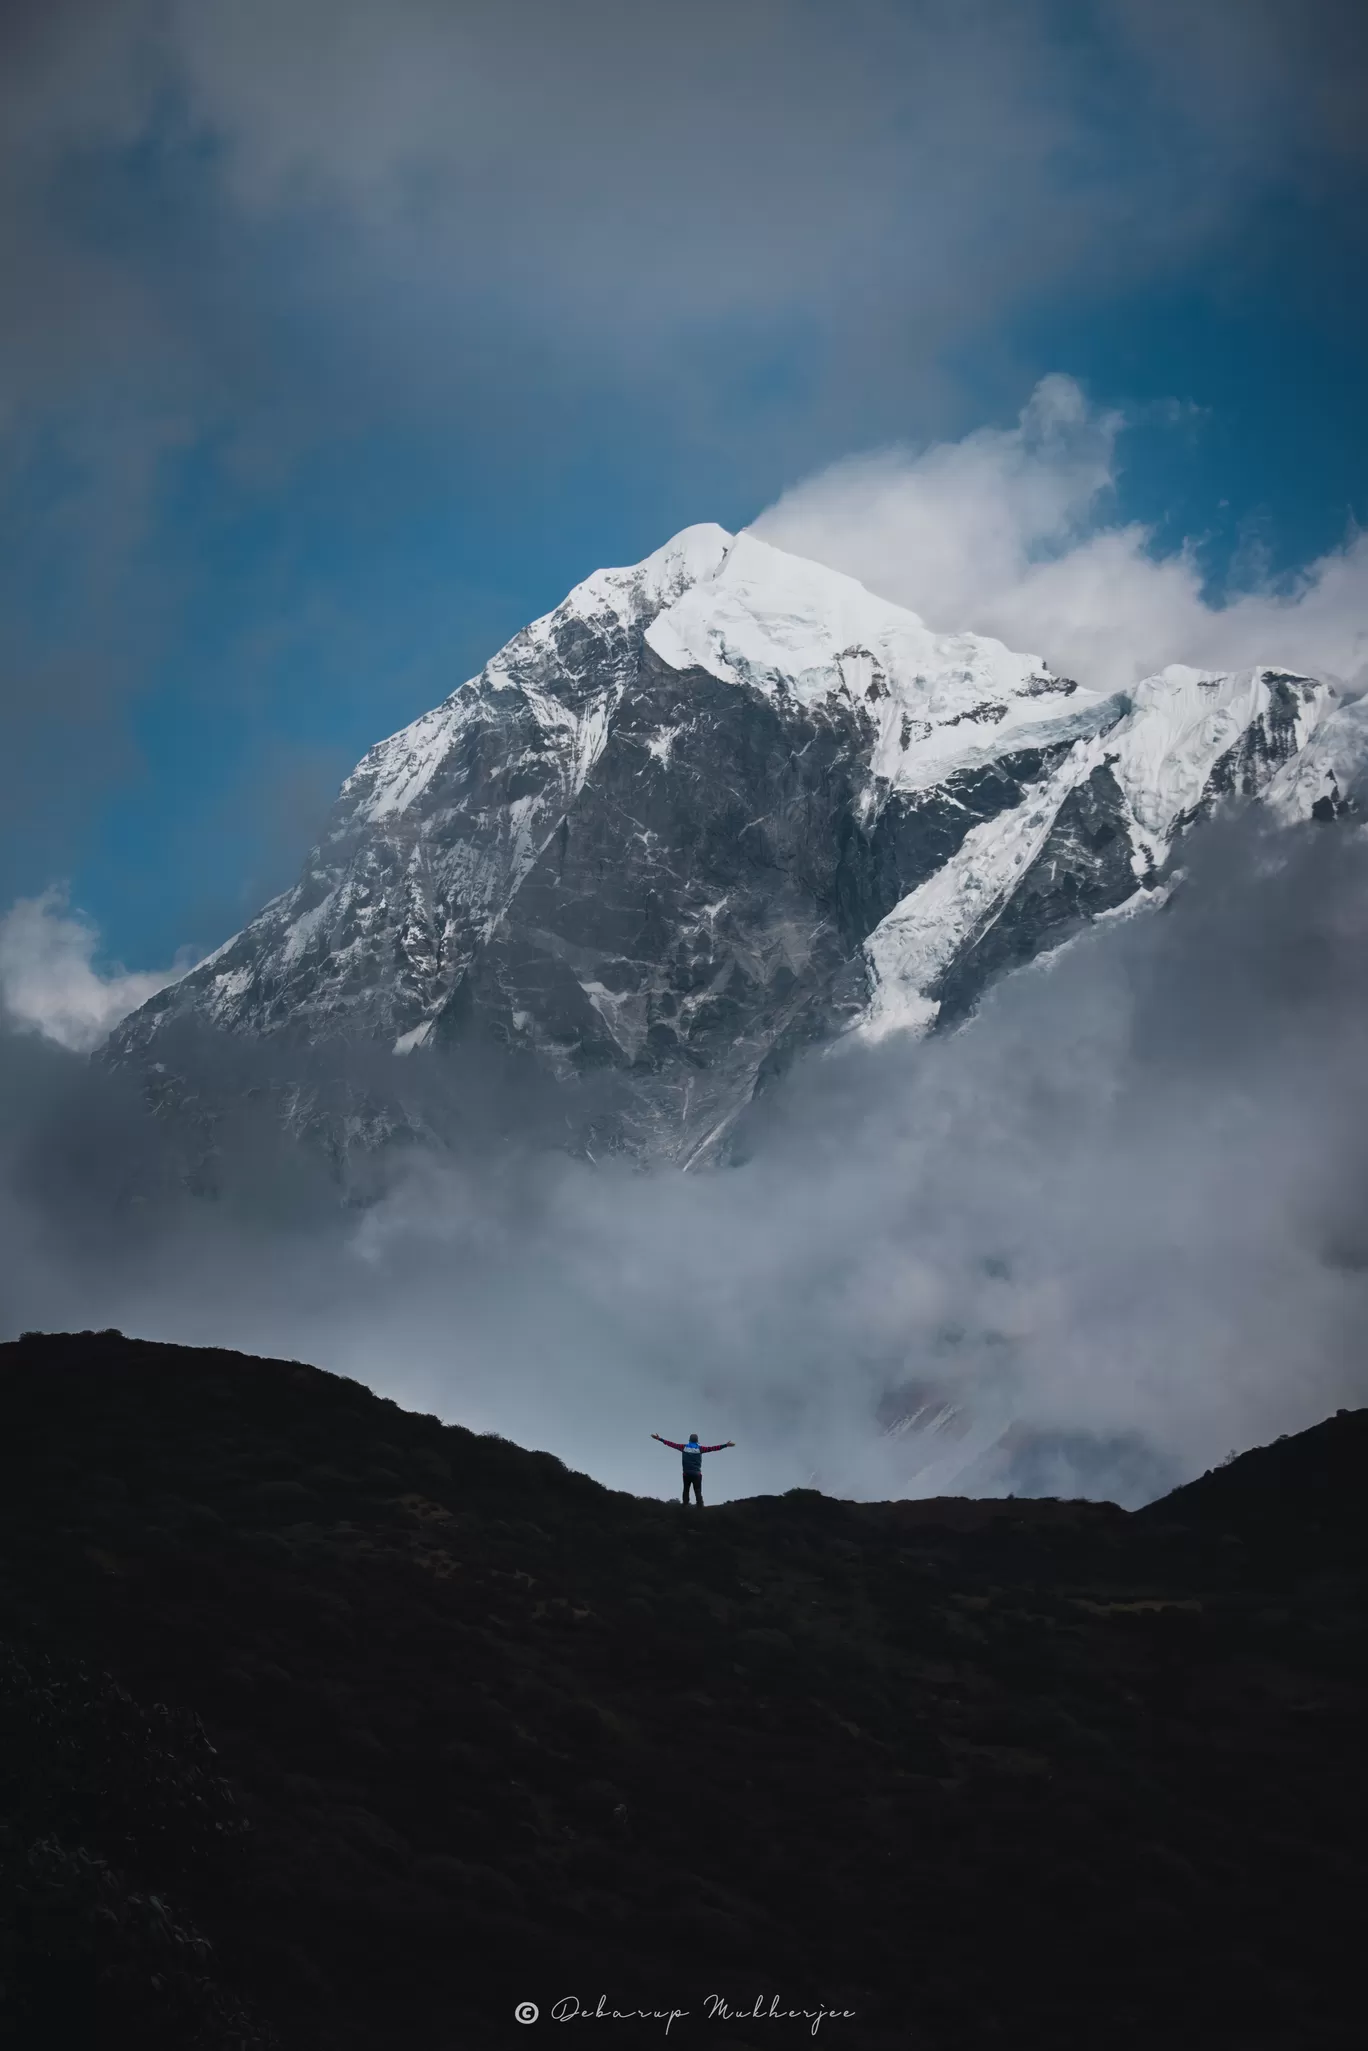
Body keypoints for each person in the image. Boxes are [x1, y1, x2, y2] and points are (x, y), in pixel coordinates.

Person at [651, 1431, 735, 1506]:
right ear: (697, 1441)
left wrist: (659, 1439)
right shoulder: (701, 1448)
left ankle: (685, 1507)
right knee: (698, 1491)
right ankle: (700, 1508)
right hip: (697, 1474)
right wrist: (726, 1445)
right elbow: (713, 1448)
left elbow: (671, 1444)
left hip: (686, 1473)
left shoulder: (683, 1447)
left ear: (689, 1440)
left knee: (686, 1490)